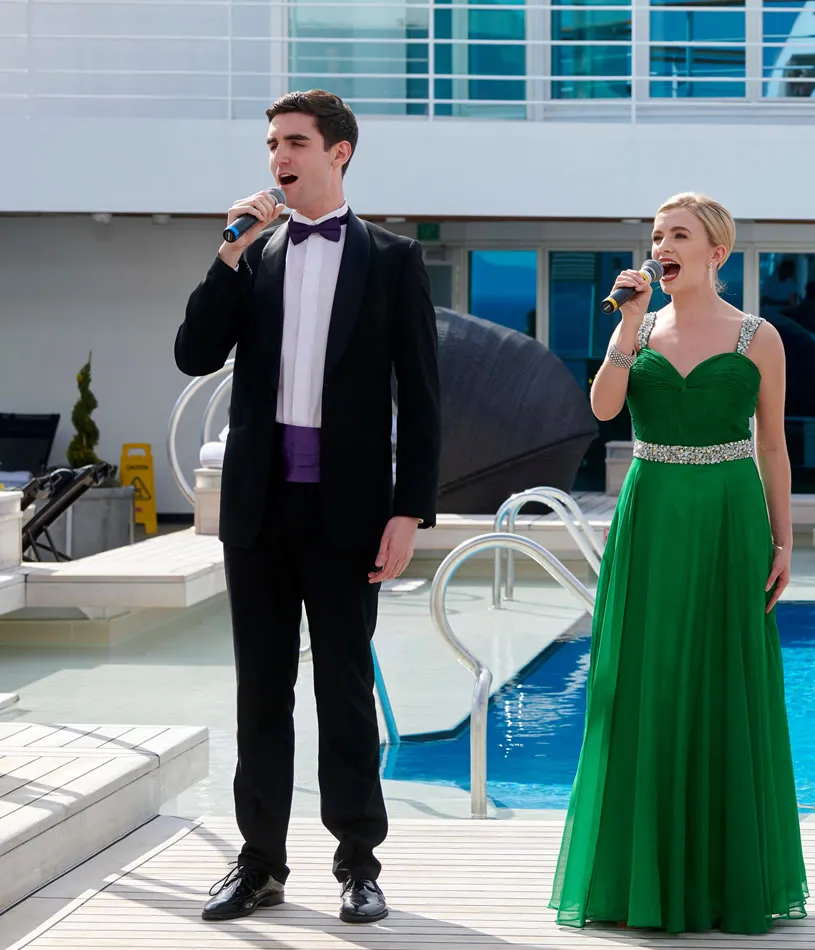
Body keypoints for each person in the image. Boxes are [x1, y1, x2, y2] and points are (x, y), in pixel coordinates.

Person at [176, 89, 441, 925]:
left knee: (345, 691)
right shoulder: (252, 255)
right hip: (257, 511)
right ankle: (259, 864)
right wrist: (226, 256)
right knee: (261, 691)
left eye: (294, 141)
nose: (278, 157)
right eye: (272, 144)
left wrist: (409, 511)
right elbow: (193, 354)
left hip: (349, 514)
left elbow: (423, 398)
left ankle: (358, 864)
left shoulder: (393, 259)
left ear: (339, 151)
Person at [550, 192, 808, 934]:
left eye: (679, 236)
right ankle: (638, 878)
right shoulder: (637, 328)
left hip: (731, 516)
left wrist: (784, 540)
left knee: (725, 680)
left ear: (715, 253)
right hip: (653, 514)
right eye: (657, 235)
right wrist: (627, 327)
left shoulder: (758, 336)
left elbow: (772, 447)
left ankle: (724, 880)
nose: (662, 246)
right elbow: (603, 410)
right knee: (644, 683)